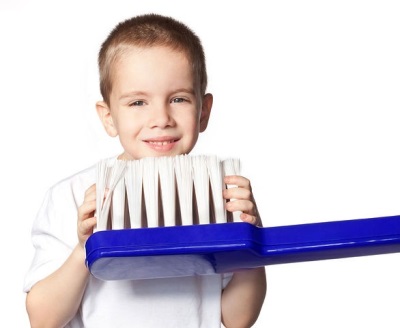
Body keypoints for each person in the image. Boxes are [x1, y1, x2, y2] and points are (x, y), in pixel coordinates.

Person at [23, 13, 266, 328]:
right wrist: (85, 247)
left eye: (178, 99)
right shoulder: (72, 197)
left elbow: (237, 319)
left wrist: (252, 238)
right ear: (109, 117)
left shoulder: (219, 195)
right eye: (138, 103)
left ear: (203, 111)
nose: (161, 118)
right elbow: (43, 320)